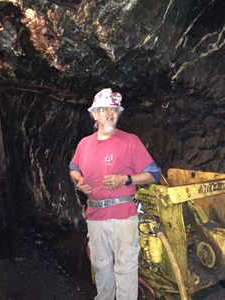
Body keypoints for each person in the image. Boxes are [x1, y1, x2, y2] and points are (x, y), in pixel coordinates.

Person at [69, 88, 161, 300]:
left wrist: (126, 179)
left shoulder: (130, 141)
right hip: (95, 216)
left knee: (125, 269)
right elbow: (73, 167)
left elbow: (153, 174)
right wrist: (79, 181)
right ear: (94, 114)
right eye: (104, 110)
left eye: (114, 110)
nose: (110, 114)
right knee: (101, 268)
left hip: (123, 216)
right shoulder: (84, 144)